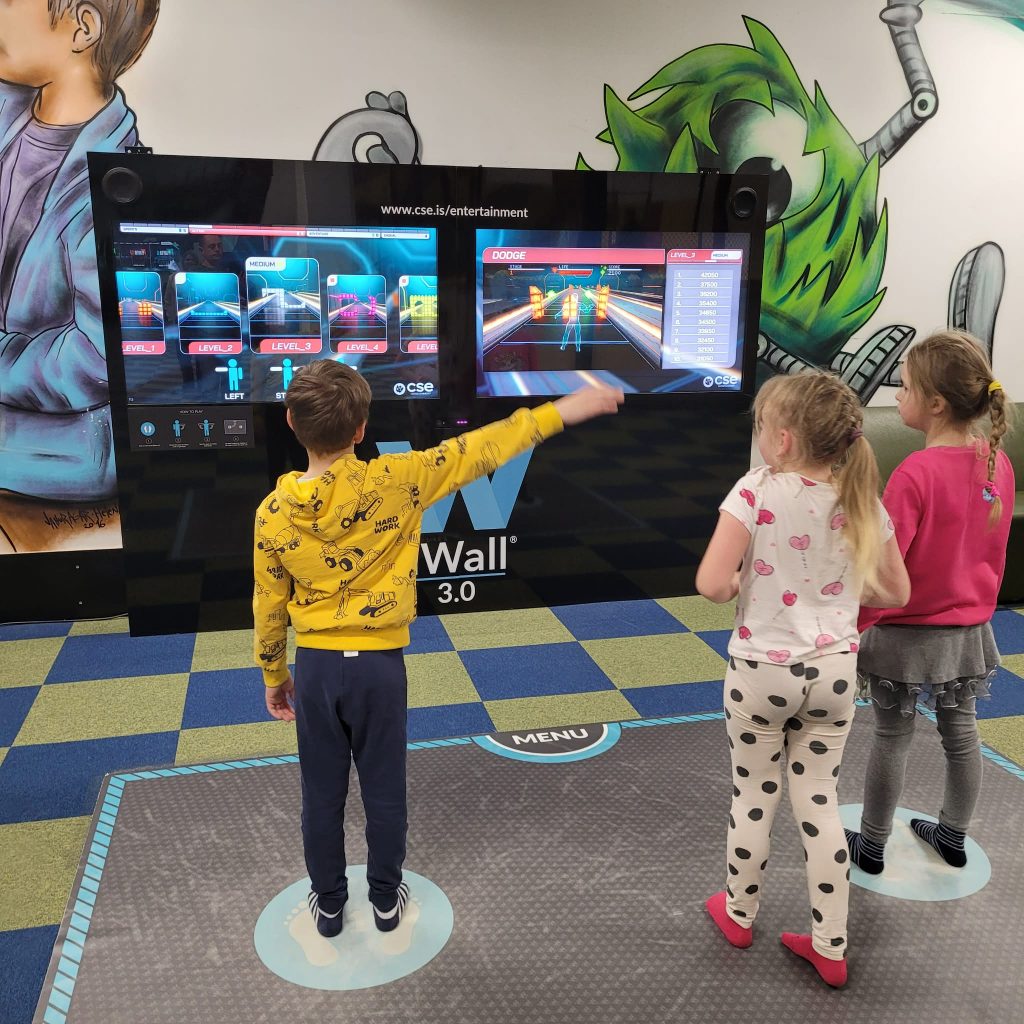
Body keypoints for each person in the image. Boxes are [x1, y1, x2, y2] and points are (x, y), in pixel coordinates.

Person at [253, 360, 623, 937]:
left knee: (320, 794)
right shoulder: (399, 477)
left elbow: (268, 604)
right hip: (379, 669)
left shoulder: (272, 512)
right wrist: (565, 409)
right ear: (361, 429)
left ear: (290, 422)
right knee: (384, 789)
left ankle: (328, 903)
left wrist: (274, 675)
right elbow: (482, 449)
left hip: (317, 669)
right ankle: (385, 899)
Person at [695, 370, 909, 988]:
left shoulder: (755, 489)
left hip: (761, 676)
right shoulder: (861, 499)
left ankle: (739, 914)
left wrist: (739, 583)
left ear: (784, 439)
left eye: (762, 426)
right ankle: (830, 945)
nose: (759, 437)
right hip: (835, 675)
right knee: (819, 802)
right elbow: (897, 591)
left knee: (753, 796)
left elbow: (711, 583)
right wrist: (837, 593)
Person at [846, 330, 1013, 876]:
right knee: (961, 734)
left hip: (904, 632)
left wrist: (853, 625)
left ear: (935, 404)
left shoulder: (914, 474)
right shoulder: (997, 463)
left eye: (904, 387)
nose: (897, 396)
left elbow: (884, 571)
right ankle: (952, 835)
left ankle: (871, 845)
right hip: (969, 632)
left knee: (891, 736)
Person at [0, 0, 159, 522]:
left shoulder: (120, 189)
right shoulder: (7, 111)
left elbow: (96, 355)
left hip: (65, 428)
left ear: (82, 28)